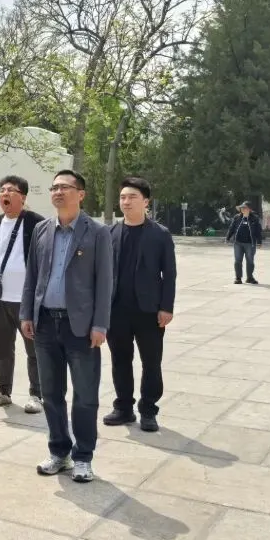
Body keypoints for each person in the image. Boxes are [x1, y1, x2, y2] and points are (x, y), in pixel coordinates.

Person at [20, 170, 113, 484]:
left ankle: (83, 456)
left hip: (81, 327)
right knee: (51, 394)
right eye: (55, 187)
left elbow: (105, 282)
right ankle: (59, 452)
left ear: (81, 194)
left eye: (65, 187)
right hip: (45, 324)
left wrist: (100, 324)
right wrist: (27, 313)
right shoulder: (41, 230)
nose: (58, 192)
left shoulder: (97, 232)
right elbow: (32, 276)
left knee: (85, 395)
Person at [103, 177, 176, 434]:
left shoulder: (160, 234)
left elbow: (169, 274)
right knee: (120, 360)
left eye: (132, 197)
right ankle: (124, 407)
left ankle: (148, 410)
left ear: (146, 202)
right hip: (116, 310)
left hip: (149, 311)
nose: (126, 201)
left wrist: (166, 307)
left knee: (151, 363)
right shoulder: (110, 233)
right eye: (123, 197)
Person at [0, 176, 44, 413]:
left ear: (23, 197)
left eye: (10, 190)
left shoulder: (36, 223)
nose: (5, 194)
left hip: (26, 300)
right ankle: (3, 392)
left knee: (35, 350)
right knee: (2, 348)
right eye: (2, 190)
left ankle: (37, 395)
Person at [225, 201, 263, 285]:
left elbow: (258, 231)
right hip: (238, 243)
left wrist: (259, 242)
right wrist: (228, 238)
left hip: (250, 243)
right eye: (241, 208)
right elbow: (232, 228)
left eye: (244, 207)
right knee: (238, 261)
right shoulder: (237, 217)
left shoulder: (254, 218)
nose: (242, 209)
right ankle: (238, 278)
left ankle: (249, 277)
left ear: (249, 209)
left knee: (250, 261)